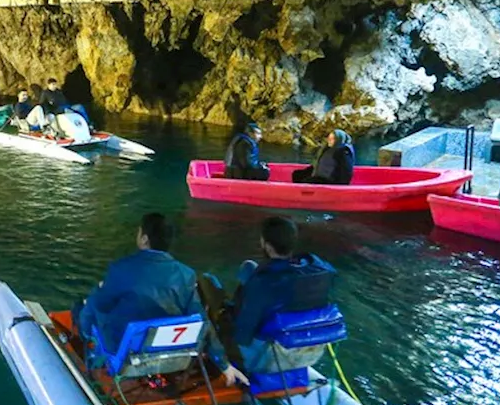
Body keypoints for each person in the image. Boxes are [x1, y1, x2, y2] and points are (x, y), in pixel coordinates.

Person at [199, 216, 336, 386]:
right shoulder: (322, 270)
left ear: (266, 244)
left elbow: (241, 335)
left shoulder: (263, 282)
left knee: (207, 282)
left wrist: (223, 316)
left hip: (265, 360)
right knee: (249, 268)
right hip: (309, 354)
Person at [73, 213, 198, 352]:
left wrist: (99, 289)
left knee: (91, 301)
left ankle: (84, 339)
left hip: (125, 348)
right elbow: (196, 315)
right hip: (165, 345)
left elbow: (102, 305)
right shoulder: (187, 274)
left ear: (144, 239)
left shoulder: (121, 268)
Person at [291, 130, 355, 184]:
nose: (329, 140)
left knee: (307, 181)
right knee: (297, 174)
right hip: (321, 174)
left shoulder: (344, 153)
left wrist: (340, 187)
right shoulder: (328, 148)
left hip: (330, 180)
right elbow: (319, 163)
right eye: (329, 138)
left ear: (339, 139)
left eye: (333, 139)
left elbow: (346, 172)